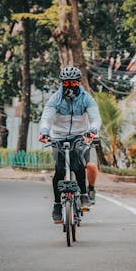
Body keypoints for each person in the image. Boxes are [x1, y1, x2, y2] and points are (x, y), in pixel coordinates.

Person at [38, 66, 101, 223]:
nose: (70, 87)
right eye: (66, 84)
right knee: (59, 171)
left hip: (79, 136)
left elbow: (95, 117)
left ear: (79, 83)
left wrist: (92, 130)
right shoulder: (55, 99)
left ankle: (84, 195)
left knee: (79, 164)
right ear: (61, 84)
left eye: (73, 83)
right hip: (58, 137)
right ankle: (57, 205)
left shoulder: (87, 98)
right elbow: (47, 117)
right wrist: (44, 131)